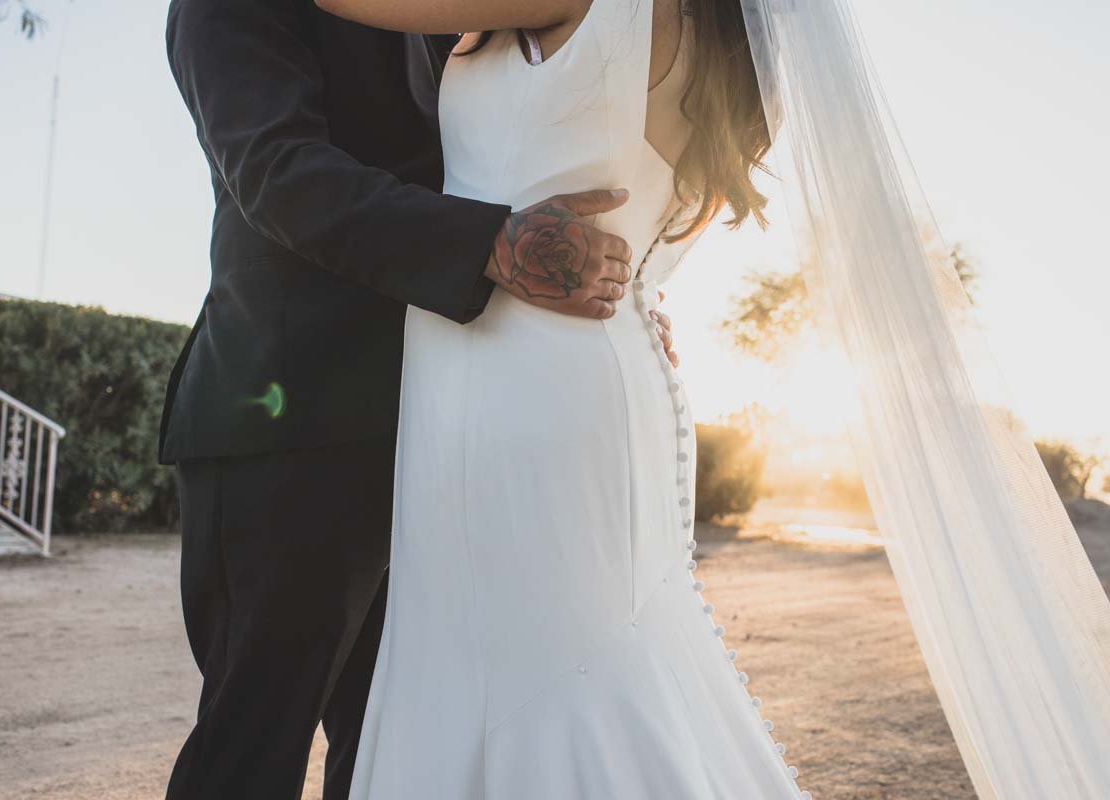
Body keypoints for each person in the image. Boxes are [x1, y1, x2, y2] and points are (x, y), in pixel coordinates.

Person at [160, 1, 678, 798]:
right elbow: (277, 172)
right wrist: (500, 248)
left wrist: (624, 289)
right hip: (286, 424)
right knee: (252, 746)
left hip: (441, 425)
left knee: (391, 754)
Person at [315, 0, 811, 796]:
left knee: (524, 671)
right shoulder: (724, 43)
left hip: (510, 382)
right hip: (604, 366)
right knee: (588, 656)